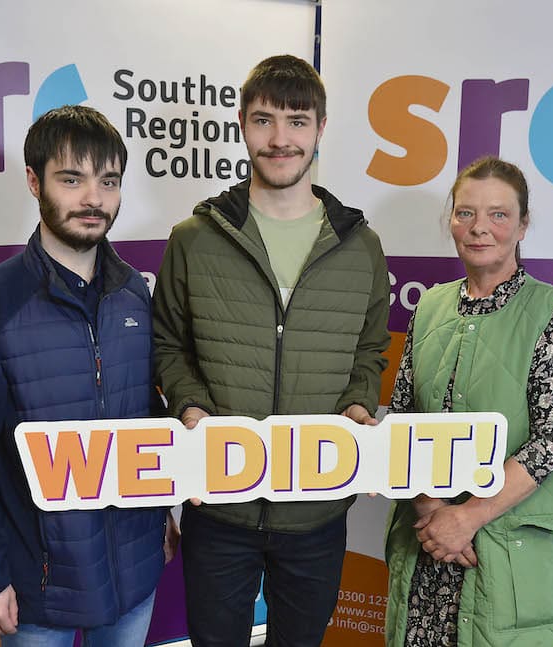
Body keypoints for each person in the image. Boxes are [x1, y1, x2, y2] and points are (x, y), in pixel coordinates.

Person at [153, 54, 391, 646]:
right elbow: (168, 343)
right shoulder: (195, 239)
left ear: (320, 128)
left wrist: (358, 407)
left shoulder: (360, 246)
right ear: (241, 124)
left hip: (316, 509)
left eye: (297, 120)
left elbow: (369, 349)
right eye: (264, 120)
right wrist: (191, 409)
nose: (280, 138)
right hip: (219, 509)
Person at [0, 105, 176, 646]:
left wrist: (163, 515)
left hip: (133, 576)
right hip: (37, 587)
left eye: (108, 181)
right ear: (33, 181)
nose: (94, 198)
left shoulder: (135, 291)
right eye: (73, 179)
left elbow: (147, 417)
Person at [384, 157, 553, 647]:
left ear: (522, 225)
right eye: (465, 213)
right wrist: (434, 514)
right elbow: (402, 419)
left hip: (504, 548)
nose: (479, 228)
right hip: (428, 543)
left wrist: (467, 518)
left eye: (498, 215)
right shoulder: (429, 307)